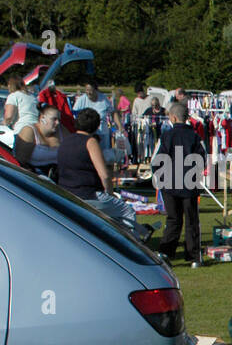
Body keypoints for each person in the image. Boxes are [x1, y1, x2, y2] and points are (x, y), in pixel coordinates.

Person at [55, 108, 141, 234]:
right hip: (87, 193)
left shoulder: (65, 140)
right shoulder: (90, 142)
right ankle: (131, 242)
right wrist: (110, 194)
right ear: (96, 126)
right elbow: (104, 175)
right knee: (126, 211)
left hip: (66, 191)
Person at [152, 102, 208, 266]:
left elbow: (157, 160)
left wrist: (161, 178)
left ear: (173, 117)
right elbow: (202, 160)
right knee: (192, 221)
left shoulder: (166, 136)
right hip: (189, 183)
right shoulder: (196, 137)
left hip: (169, 184)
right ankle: (194, 257)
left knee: (173, 220)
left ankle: (165, 253)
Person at [13, 103, 61, 173]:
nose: (58, 122)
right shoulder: (29, 131)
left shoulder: (61, 131)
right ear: (42, 118)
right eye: (54, 119)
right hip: (35, 174)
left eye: (59, 119)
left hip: (57, 173)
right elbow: (21, 162)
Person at [73, 80, 116, 156]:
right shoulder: (81, 100)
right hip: (87, 134)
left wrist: (120, 127)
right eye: (87, 90)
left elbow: (113, 112)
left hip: (102, 133)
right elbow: (74, 115)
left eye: (90, 90)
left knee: (104, 155)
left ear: (96, 90)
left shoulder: (103, 99)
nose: (88, 92)